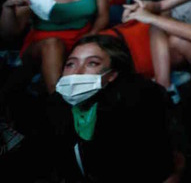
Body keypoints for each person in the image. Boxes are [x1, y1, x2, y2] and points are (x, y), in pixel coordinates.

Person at [49, 34, 179, 182]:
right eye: (70, 64)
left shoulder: (140, 101)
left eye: (92, 63)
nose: (76, 73)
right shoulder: (55, 105)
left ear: (112, 74)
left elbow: (158, 167)